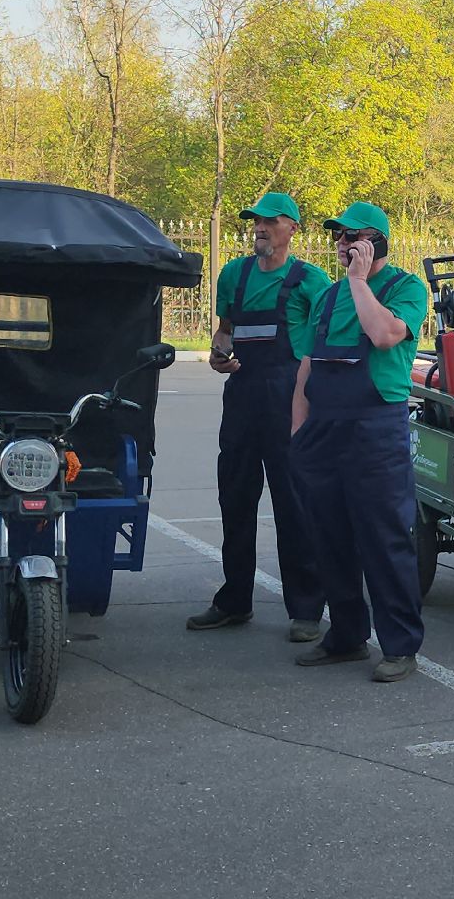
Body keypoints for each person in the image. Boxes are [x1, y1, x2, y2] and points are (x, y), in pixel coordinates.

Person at [286, 202, 429, 683]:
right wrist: (298, 433)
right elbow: (307, 366)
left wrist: (360, 282)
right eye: (339, 238)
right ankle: (346, 636)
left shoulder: (406, 288)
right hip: (324, 428)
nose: (343, 246)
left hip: (374, 427)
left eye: (354, 238)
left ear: (378, 242)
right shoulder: (326, 297)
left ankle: (400, 646)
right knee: (329, 537)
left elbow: (385, 334)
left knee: (384, 538)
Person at [185, 193, 332, 642]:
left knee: (294, 505)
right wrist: (217, 354)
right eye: (255, 222)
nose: (260, 228)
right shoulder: (235, 274)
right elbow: (226, 331)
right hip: (244, 399)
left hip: (291, 401)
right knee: (235, 499)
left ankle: (306, 609)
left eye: (270, 222)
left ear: (292, 229)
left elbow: (324, 343)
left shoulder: (311, 280)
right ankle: (234, 601)